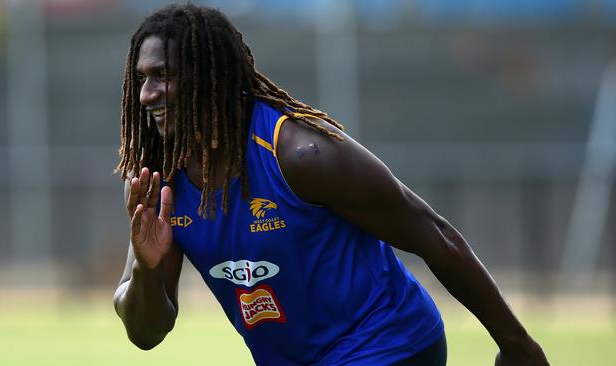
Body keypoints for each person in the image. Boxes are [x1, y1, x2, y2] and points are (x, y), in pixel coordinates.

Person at [113, 4, 549, 366]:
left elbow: (433, 235)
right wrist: (147, 272)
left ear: (211, 76)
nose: (146, 94)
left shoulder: (301, 154)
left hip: (389, 342)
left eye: (162, 76)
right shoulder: (159, 183)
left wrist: (517, 345)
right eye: (142, 78)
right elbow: (146, 333)